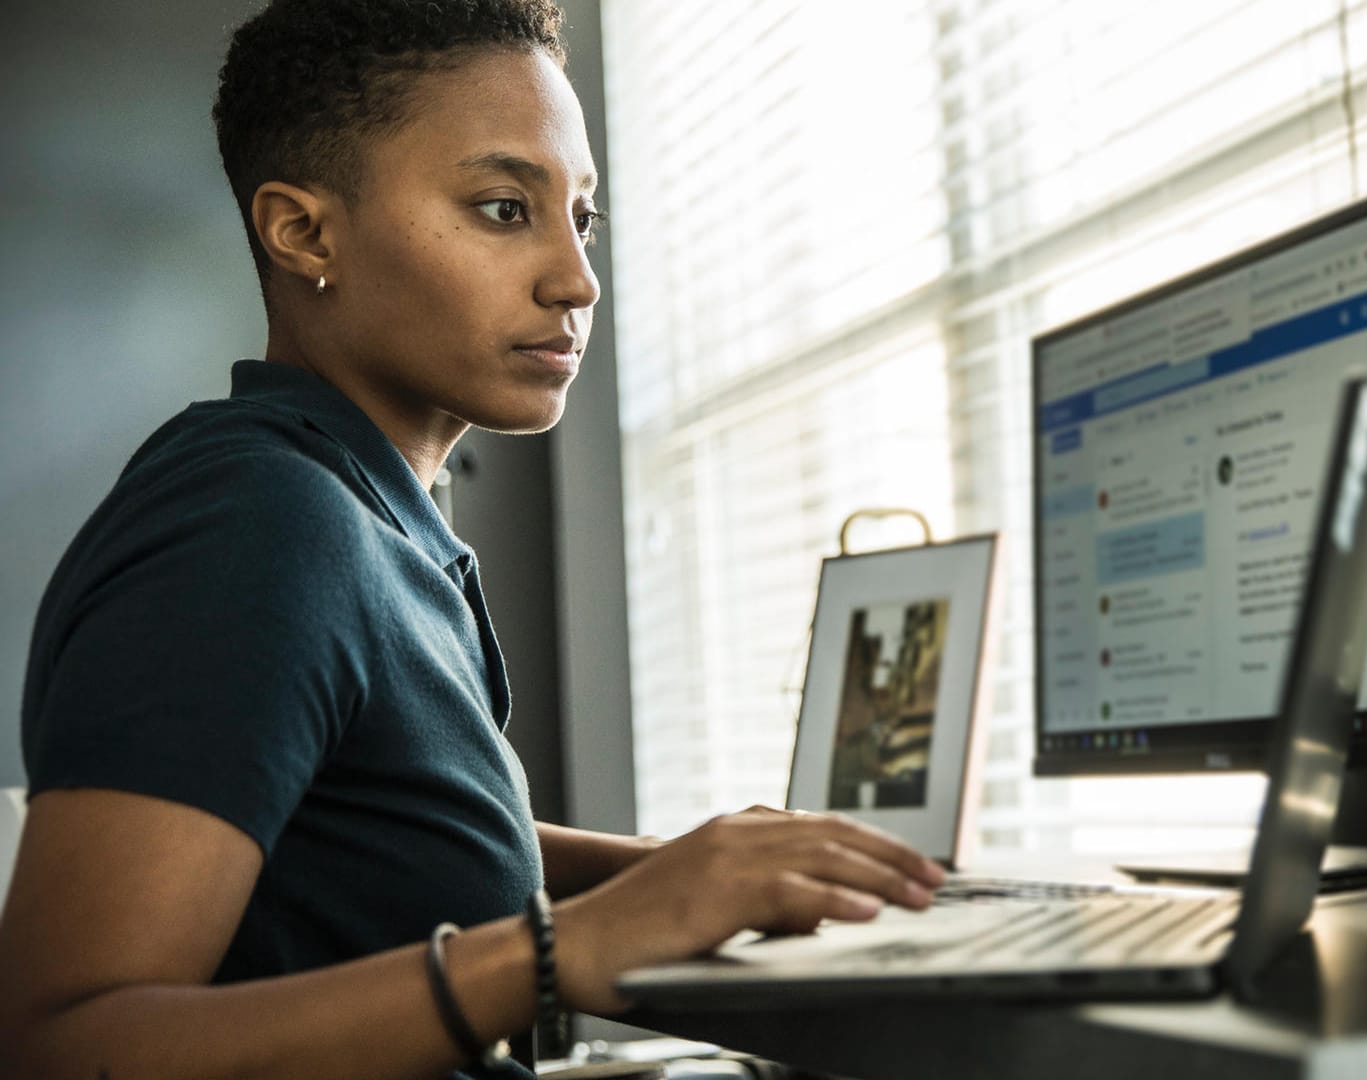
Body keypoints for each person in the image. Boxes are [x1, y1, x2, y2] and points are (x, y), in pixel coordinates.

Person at [0, 3, 944, 1078]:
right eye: (504, 208)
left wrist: (671, 869)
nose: (576, 280)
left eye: (580, 219)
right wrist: (554, 954)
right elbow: (58, 1047)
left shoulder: (364, 513)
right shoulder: (257, 523)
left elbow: (371, 831)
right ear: (304, 232)